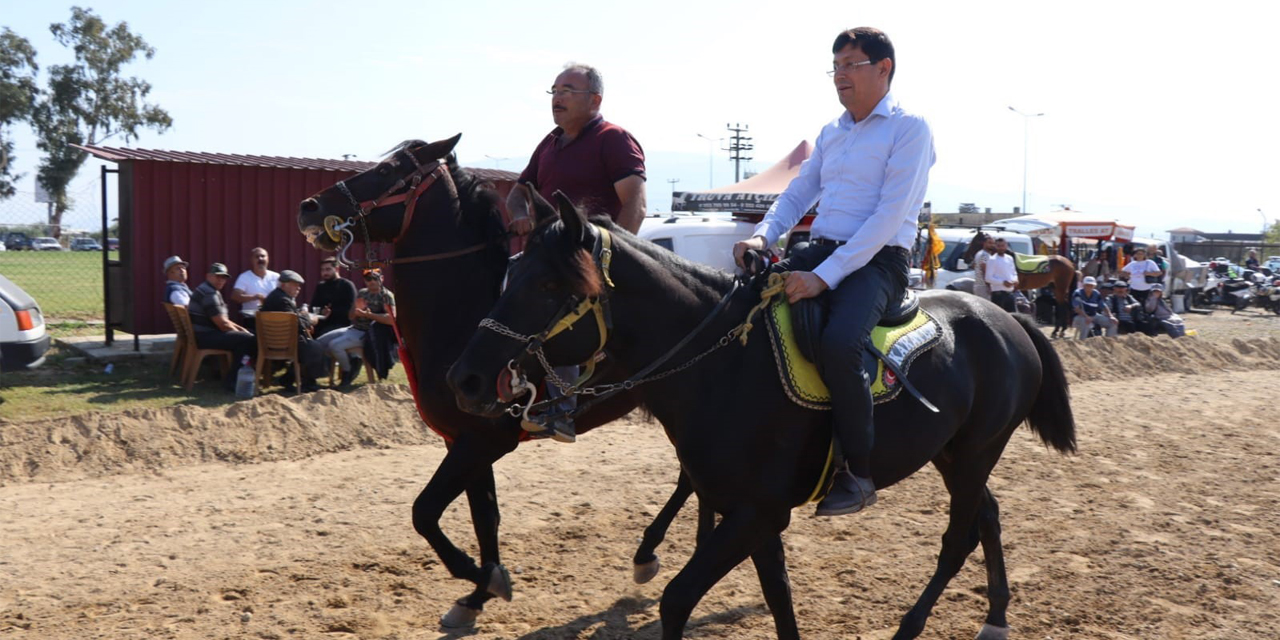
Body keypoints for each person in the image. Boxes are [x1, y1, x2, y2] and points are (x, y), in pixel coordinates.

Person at [732, 27, 934, 517]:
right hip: (817, 249)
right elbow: (799, 192)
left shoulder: (910, 128)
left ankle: (858, 473)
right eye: (836, 66)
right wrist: (763, 237)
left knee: (841, 342)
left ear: (883, 68)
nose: (840, 74)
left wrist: (824, 278)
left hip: (878, 259)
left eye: (851, 64)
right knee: (735, 306)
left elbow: (888, 216)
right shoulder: (832, 132)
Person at [505, 61, 647, 443]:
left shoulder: (614, 139)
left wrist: (610, 261)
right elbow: (518, 193)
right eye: (554, 91)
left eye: (567, 90)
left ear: (595, 100)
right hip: (545, 256)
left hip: (587, 260)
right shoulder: (549, 144)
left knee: (556, 313)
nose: (557, 98)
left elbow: (635, 204)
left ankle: (562, 409)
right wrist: (519, 215)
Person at [187, 263, 256, 389]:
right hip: (205, 336)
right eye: (217, 276)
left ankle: (236, 376)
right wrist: (243, 334)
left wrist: (242, 330)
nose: (221, 280)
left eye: (224, 277)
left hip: (203, 334)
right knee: (248, 340)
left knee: (249, 335)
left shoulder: (207, 289)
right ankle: (233, 380)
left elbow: (224, 320)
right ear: (208, 276)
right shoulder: (209, 294)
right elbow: (223, 324)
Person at [260, 270, 326, 393]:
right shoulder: (283, 300)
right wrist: (310, 320)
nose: (298, 288)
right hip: (283, 343)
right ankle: (308, 383)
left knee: (309, 345)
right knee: (315, 347)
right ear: (284, 285)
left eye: (299, 285)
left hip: (273, 341)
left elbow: (294, 319)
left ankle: (287, 379)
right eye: (295, 284)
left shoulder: (276, 296)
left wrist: (302, 316)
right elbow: (297, 324)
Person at [353, 269, 398, 382]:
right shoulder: (362, 293)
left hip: (382, 330)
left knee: (374, 337)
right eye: (369, 279)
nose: (372, 281)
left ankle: (379, 377)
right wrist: (356, 311)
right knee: (330, 341)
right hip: (359, 328)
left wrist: (369, 315)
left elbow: (391, 319)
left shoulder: (386, 295)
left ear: (382, 279)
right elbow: (350, 316)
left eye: (375, 278)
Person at [230, 247, 280, 332]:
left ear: (268, 259)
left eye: (263, 256)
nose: (260, 259)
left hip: (274, 318)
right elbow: (235, 296)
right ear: (251, 260)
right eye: (257, 257)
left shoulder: (276, 277)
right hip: (252, 320)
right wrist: (255, 297)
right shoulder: (244, 277)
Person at [309, 257, 357, 338]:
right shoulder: (321, 286)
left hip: (341, 326)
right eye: (322, 270)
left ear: (337, 269)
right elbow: (313, 307)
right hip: (320, 325)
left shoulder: (346, 285)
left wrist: (331, 312)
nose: (325, 273)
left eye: (328, 269)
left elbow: (351, 310)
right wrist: (322, 311)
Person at [985, 238, 1018, 312]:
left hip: (1010, 293)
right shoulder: (992, 260)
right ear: (995, 246)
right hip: (998, 294)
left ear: (1006, 246)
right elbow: (988, 278)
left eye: (1003, 246)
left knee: (1012, 316)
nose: (1001, 248)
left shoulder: (1009, 258)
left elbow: (1013, 273)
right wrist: (1003, 282)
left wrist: (1015, 280)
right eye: (998, 246)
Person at [972, 234, 994, 300]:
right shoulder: (984, 255)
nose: (992, 245)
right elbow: (985, 270)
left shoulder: (979, 253)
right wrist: (989, 286)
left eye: (993, 243)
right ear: (984, 243)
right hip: (983, 286)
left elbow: (974, 266)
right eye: (989, 243)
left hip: (978, 285)